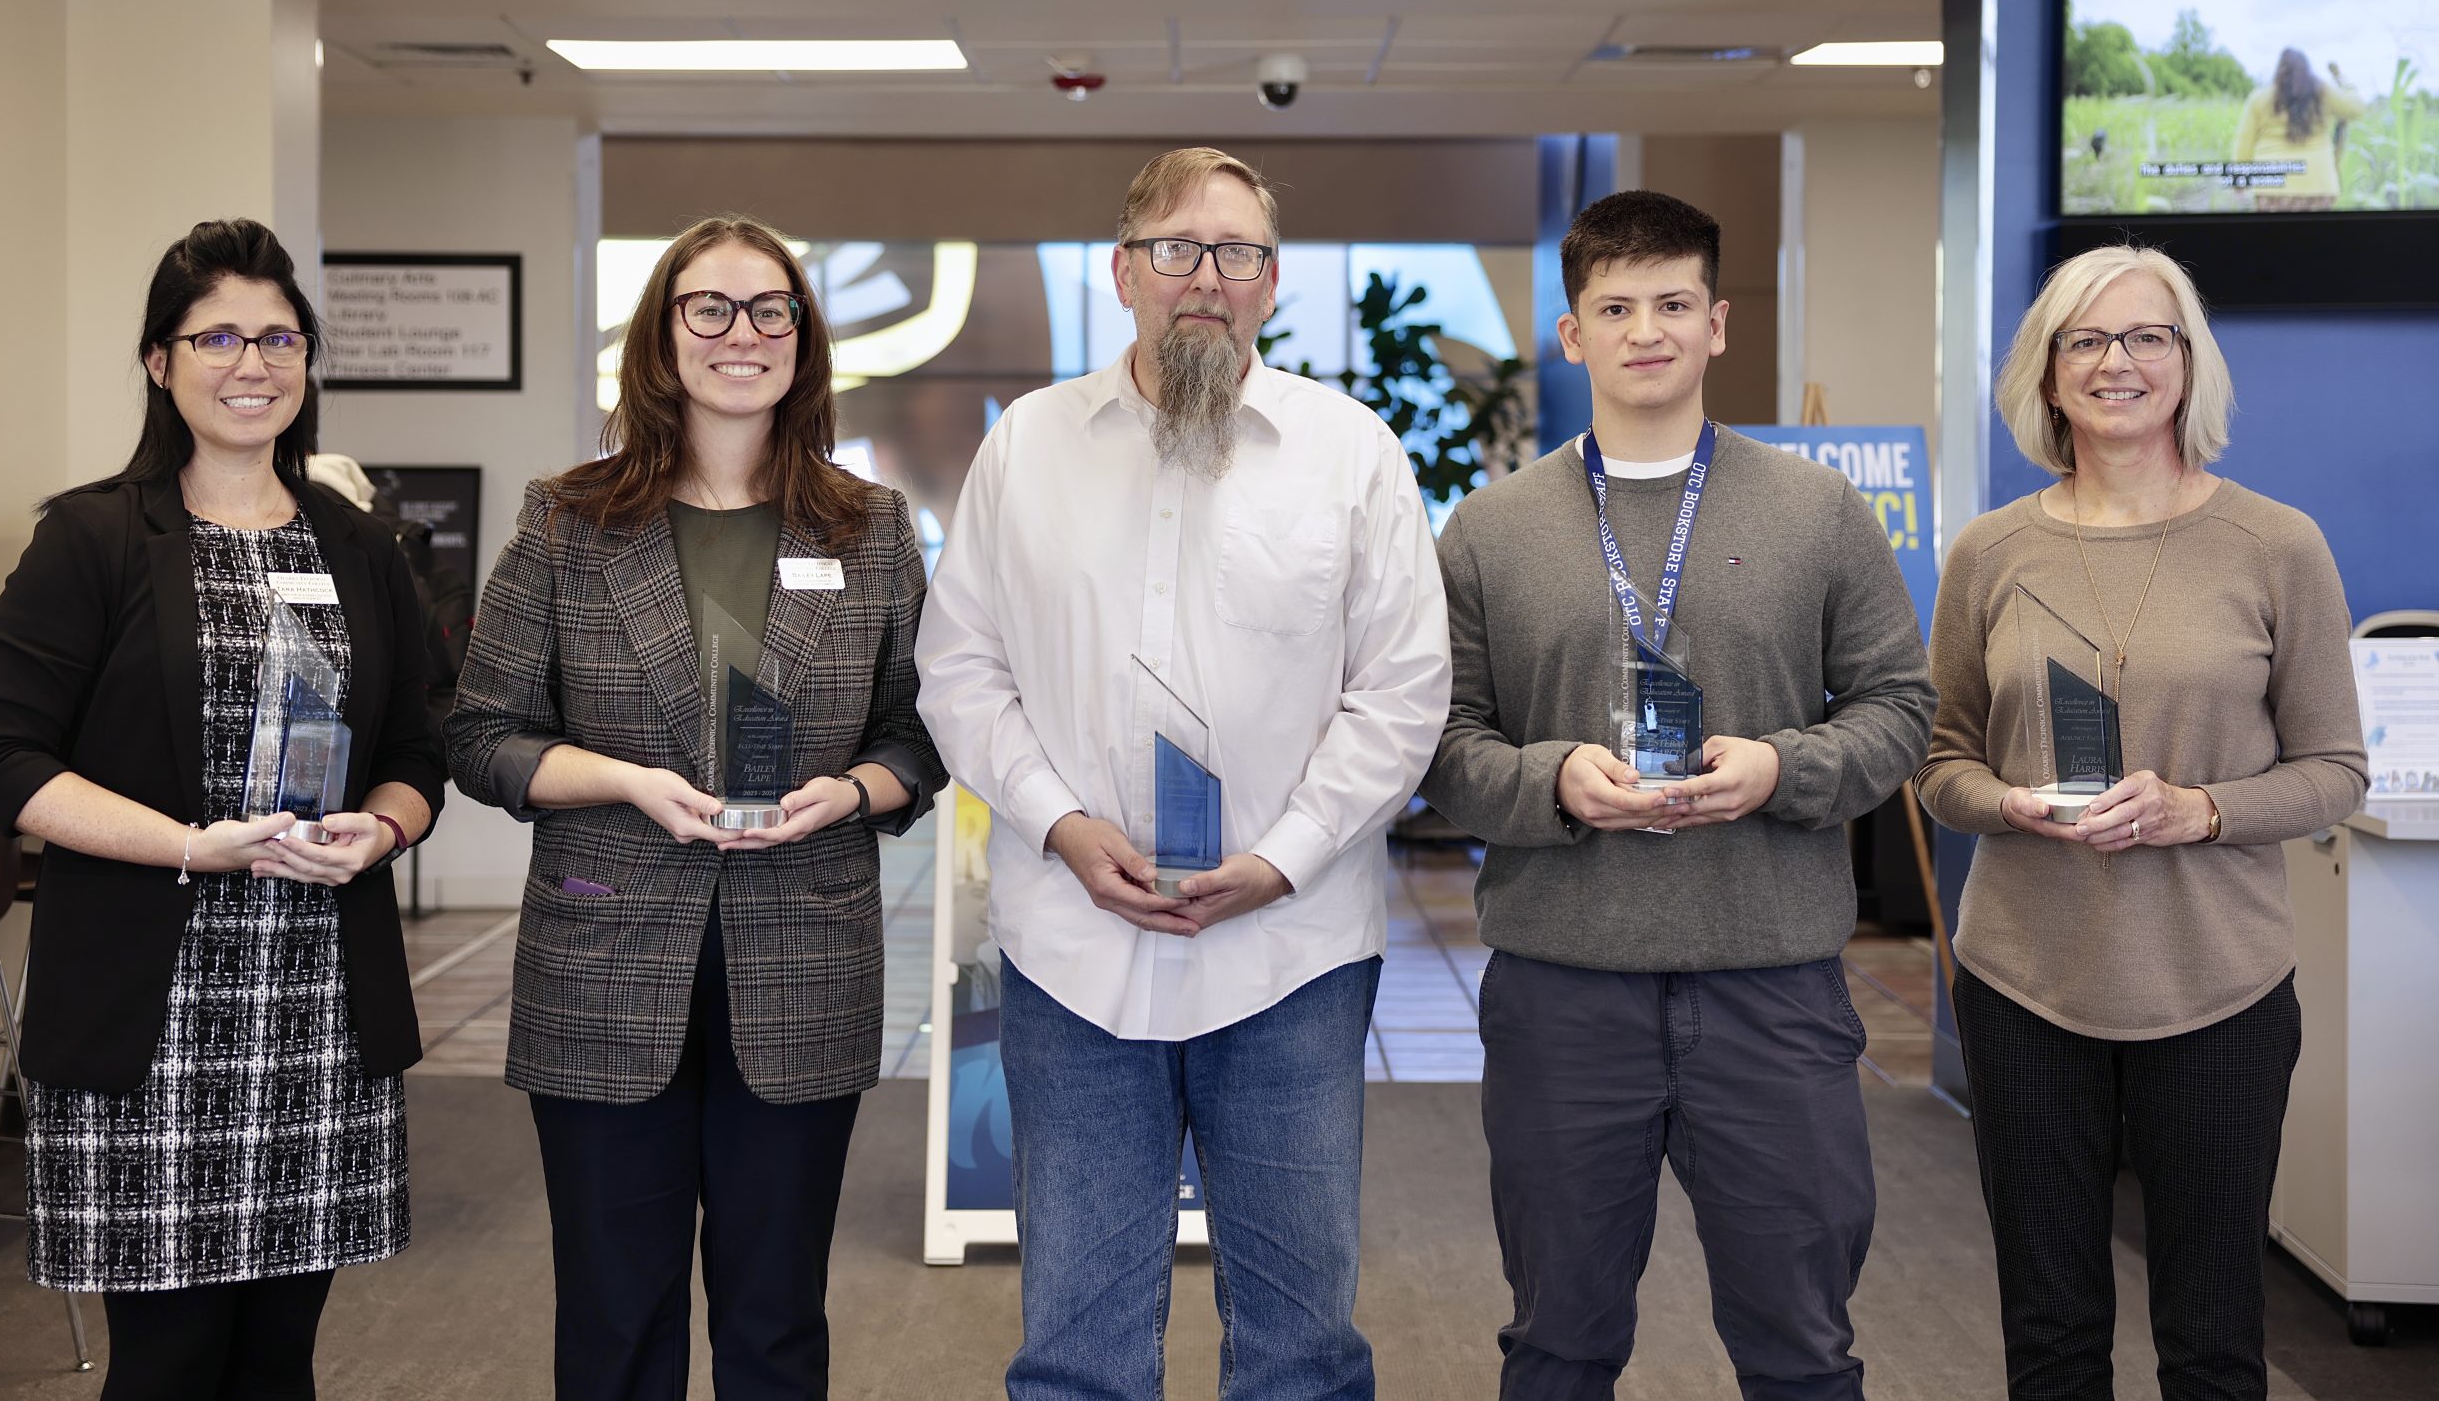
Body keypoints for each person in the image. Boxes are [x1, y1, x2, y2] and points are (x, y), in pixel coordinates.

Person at [916, 146, 1450, 1401]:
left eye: (1238, 252)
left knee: (1301, 1349)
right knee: (1076, 1349)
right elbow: (961, 668)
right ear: (1123, 273)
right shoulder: (1026, 447)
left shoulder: (1351, 453)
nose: (1205, 276)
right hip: (1074, 954)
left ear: (1271, 283)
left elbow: (1403, 688)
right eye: (1176, 248)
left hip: (1292, 958)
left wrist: (1284, 857)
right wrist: (1055, 825)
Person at [1420, 189, 1935, 1401]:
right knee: (1556, 1343)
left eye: (1670, 303)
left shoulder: (1818, 512)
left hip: (1773, 991)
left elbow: (1898, 710)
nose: (1643, 329)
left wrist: (1783, 767)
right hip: (1561, 995)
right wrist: (1551, 780)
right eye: (1614, 306)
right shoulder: (1489, 531)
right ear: (1571, 333)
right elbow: (1439, 743)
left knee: (1802, 1346)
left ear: (1717, 323)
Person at [446, 214, 944, 1401]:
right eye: (708, 308)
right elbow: (479, 736)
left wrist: (852, 792)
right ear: (662, 338)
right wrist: (625, 781)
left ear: (803, 340)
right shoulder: (567, 521)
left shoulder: (869, 529)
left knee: (776, 1323)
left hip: (804, 949)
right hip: (603, 954)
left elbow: (924, 728)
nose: (742, 333)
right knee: (617, 1318)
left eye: (771, 308)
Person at [0, 217, 444, 1401]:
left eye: (279, 336)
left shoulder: (361, 547)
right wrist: (187, 845)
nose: (252, 362)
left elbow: (420, 752)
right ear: (161, 361)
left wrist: (380, 828)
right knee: (167, 1365)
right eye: (216, 335)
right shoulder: (96, 537)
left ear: (309, 362)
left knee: (279, 1360)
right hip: (149, 1017)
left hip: (318, 1004)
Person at [1917, 244, 2366, 1400]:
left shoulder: (2277, 545)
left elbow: (2333, 772)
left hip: (2219, 987)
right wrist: (2003, 803)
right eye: (2087, 340)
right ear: (2048, 374)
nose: (2118, 362)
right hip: (2025, 986)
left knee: (2214, 1340)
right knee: (2052, 1334)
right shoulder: (1989, 550)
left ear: (2187, 362)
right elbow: (1939, 761)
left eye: (2147, 337)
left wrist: (2199, 809)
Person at [2230, 48, 2365, 212]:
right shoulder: (2322, 92)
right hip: (2320, 184)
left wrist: (2238, 183)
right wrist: (2342, 79)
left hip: (2271, 189)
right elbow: (2356, 108)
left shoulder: (2260, 97)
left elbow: (2244, 143)